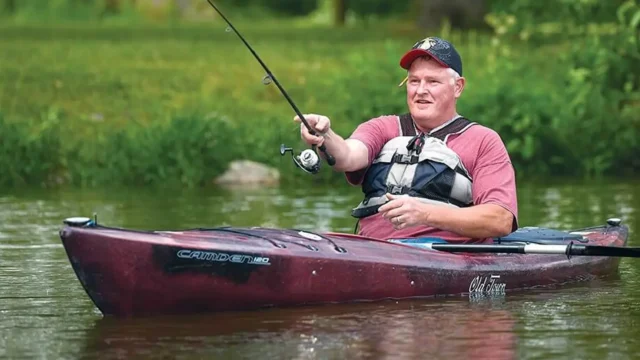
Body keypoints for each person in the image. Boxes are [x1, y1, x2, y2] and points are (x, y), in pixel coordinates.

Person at [296, 37, 518, 244]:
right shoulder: (383, 127)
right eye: (414, 81)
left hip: (445, 257)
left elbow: (500, 219)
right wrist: (325, 136)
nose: (421, 90)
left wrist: (425, 214)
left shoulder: (483, 141)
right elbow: (347, 155)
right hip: (374, 250)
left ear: (457, 87)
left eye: (432, 82)